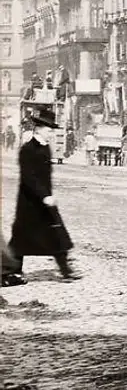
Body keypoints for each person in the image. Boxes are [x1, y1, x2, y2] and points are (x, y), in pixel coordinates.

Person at [2, 111, 80, 287]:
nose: (51, 133)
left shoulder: (45, 147)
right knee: (20, 239)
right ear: (39, 129)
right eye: (49, 129)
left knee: (57, 234)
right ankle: (11, 272)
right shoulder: (27, 149)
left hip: (45, 200)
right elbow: (28, 177)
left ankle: (66, 271)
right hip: (29, 202)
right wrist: (44, 195)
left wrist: (47, 195)